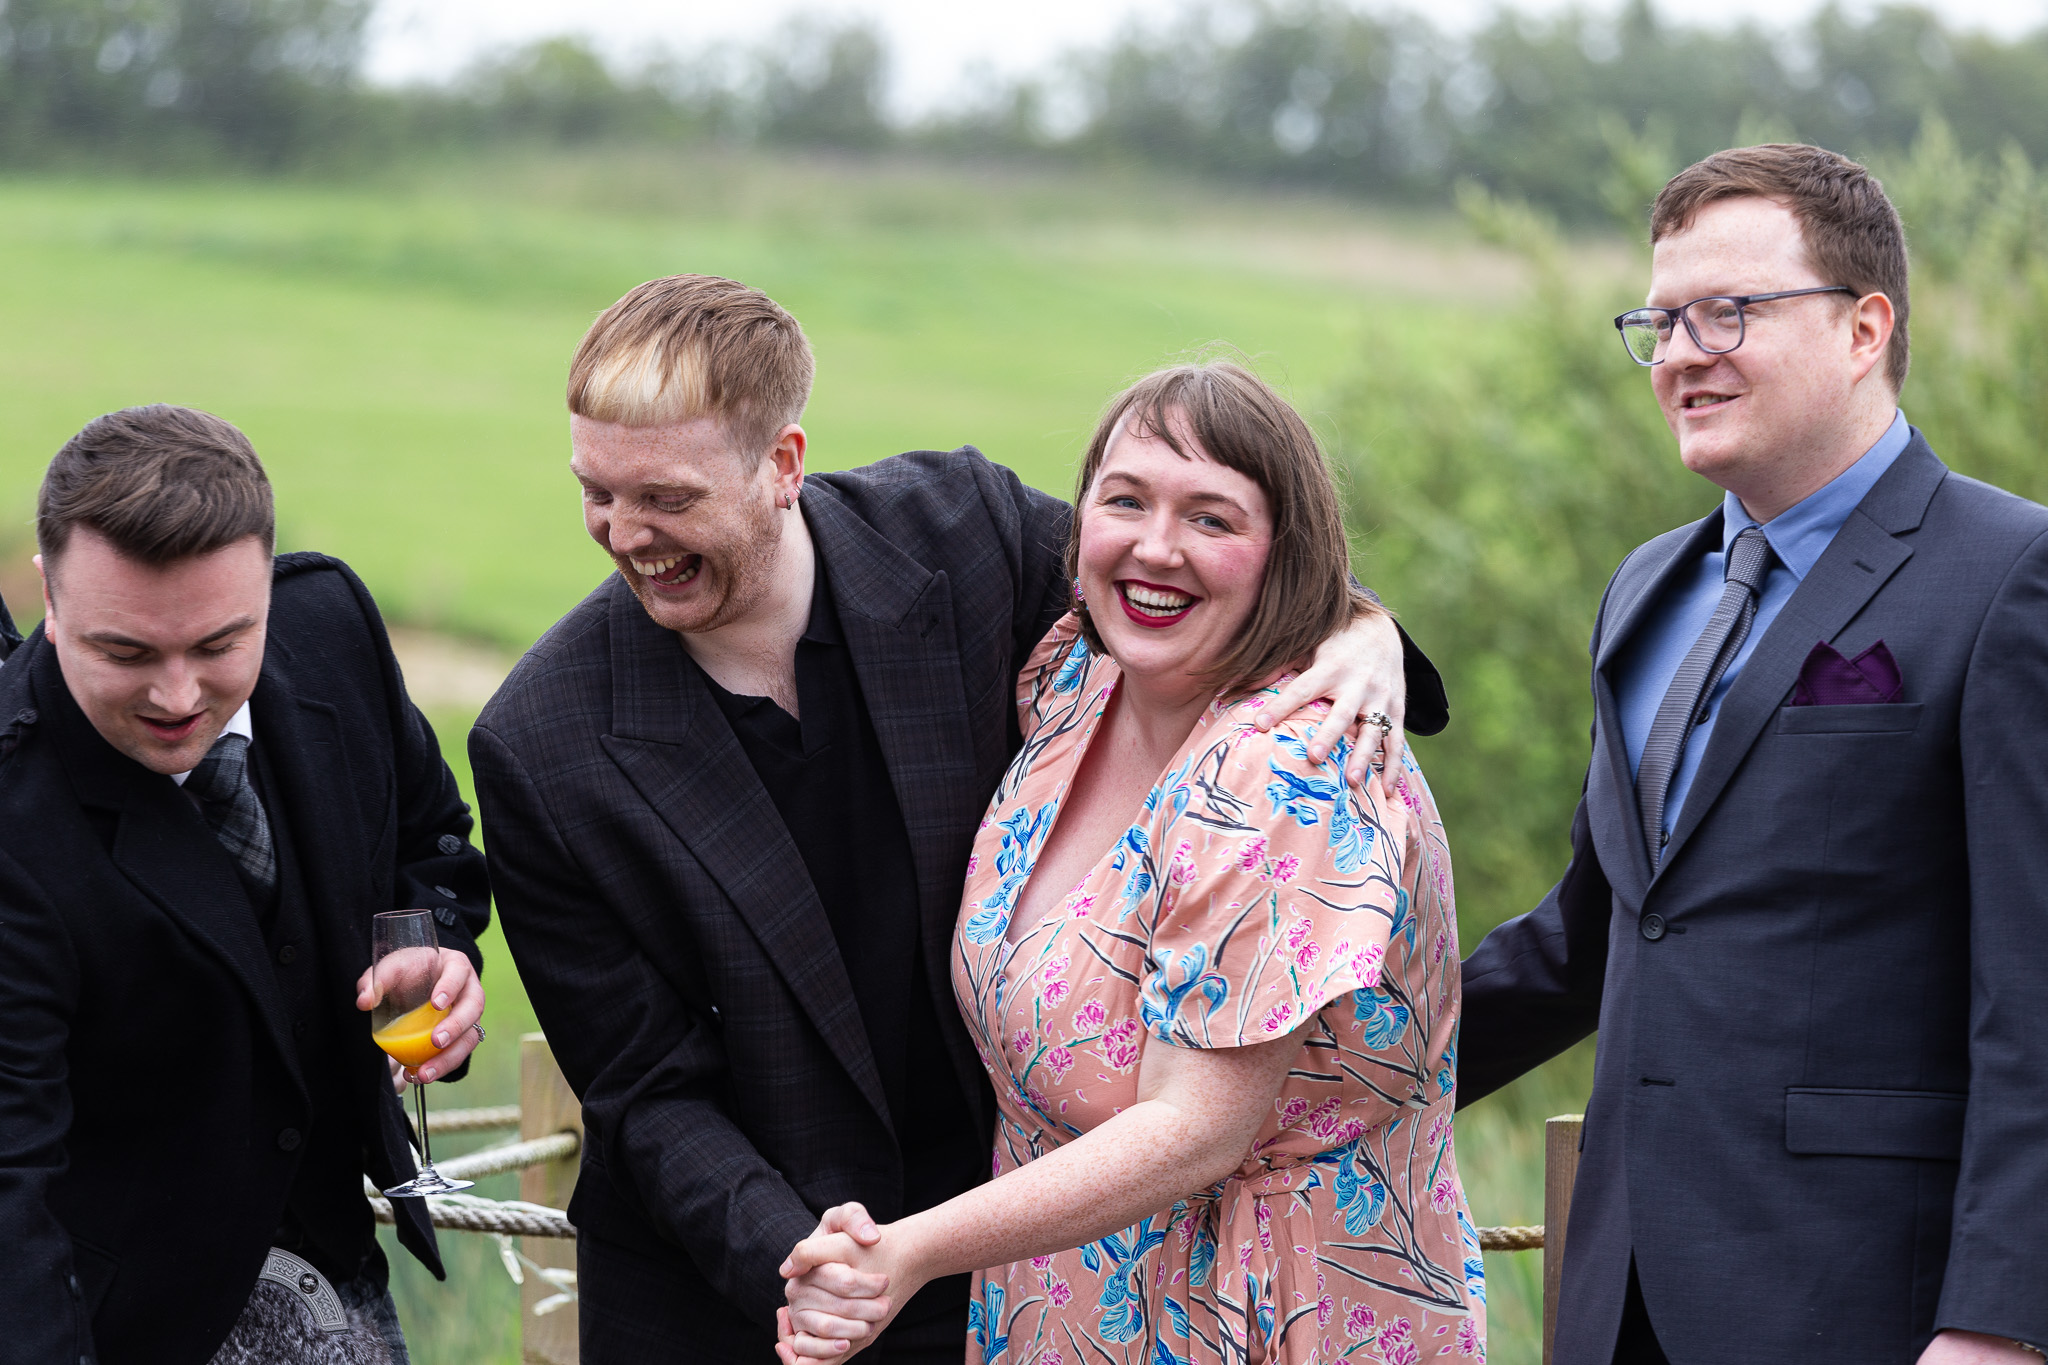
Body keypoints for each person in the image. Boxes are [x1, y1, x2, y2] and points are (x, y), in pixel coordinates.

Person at [470, 275, 1449, 1363]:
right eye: (596, 493)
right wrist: (818, 1272)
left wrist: (1361, 626)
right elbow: (644, 1088)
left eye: (665, 497)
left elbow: (1178, 582)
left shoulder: (962, 535)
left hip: (1015, 1262)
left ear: (783, 464)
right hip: (738, 1303)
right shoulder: (539, 743)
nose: (626, 534)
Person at [1457, 143, 2048, 1363]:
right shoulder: (1645, 589)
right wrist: (1292, 1081)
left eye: (1727, 311)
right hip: (1614, 1300)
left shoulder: (2008, 576)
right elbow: (1592, 938)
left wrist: (2000, 1323)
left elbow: (2033, 989)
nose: (1680, 353)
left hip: (1866, 1306)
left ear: (1862, 328)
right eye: (1659, 321)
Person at [774, 360, 1483, 1365]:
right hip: (1065, 1303)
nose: (1155, 547)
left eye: (1210, 517)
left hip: (1258, 1308)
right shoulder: (1076, 681)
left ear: (1284, 557)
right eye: (1124, 501)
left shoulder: (1290, 772)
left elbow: (1195, 1129)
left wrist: (907, 1251)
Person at [0, 405, 492, 1365]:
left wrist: (437, 951)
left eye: (219, 645)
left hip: (340, 1268)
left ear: (266, 588)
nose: (177, 696)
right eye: (126, 652)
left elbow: (432, 838)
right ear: (49, 598)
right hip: (117, 1316)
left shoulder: (332, 623)